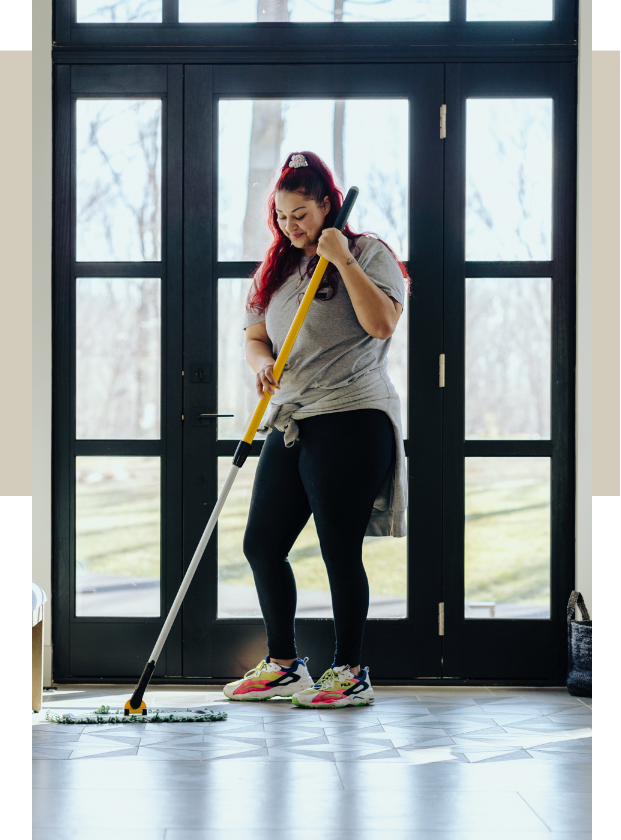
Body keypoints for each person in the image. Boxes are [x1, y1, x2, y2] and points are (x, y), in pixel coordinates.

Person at [223, 151, 409, 708]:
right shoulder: (273, 269)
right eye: (281, 216)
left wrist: (343, 259)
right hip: (293, 418)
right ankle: (284, 666)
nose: (291, 226)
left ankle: (350, 672)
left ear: (328, 205)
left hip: (352, 416)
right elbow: (256, 338)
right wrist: (260, 366)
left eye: (301, 213)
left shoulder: (368, 251)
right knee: (262, 544)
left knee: (337, 549)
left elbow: (382, 324)